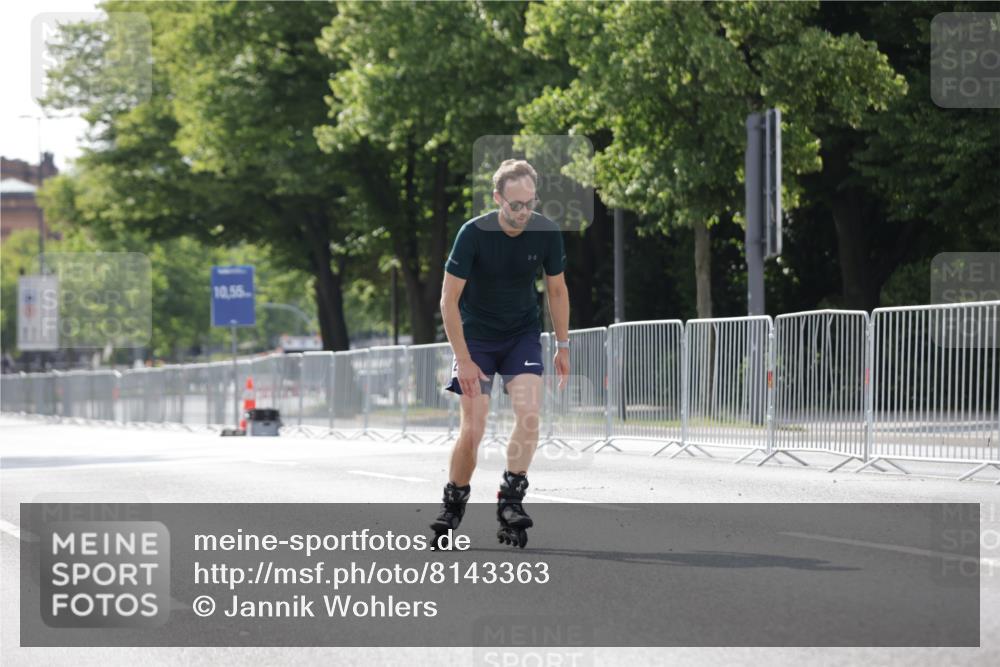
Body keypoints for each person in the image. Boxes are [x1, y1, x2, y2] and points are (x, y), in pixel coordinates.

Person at [431, 159, 570, 549]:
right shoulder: (473, 234)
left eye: (530, 203)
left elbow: (557, 290)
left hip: (521, 336)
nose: (523, 212)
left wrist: (563, 345)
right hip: (475, 339)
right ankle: (453, 503)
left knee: (529, 414)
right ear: (497, 198)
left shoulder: (545, 231)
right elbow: (448, 299)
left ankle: (510, 500)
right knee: (473, 428)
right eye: (515, 204)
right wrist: (463, 359)